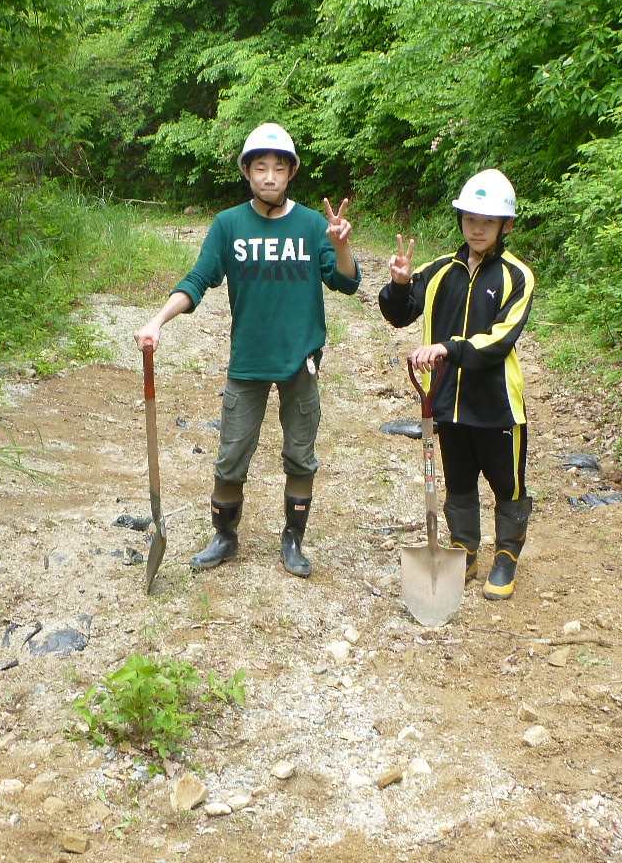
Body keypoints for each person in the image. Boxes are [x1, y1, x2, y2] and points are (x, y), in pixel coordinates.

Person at [134, 123, 360, 578]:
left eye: (279, 167)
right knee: (231, 454)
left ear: (291, 173)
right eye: (261, 167)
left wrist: (340, 244)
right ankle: (225, 537)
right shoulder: (229, 225)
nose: (270, 176)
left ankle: (293, 539)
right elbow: (197, 280)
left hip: (301, 360)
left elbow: (347, 282)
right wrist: (157, 320)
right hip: (248, 361)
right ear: (247, 172)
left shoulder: (313, 224)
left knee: (300, 454)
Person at [379, 169, 535, 599]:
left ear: (507, 225)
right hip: (445, 401)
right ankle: (464, 547)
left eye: (487, 221)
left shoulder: (516, 276)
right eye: (469, 219)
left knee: (509, 484)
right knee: (459, 480)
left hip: (499, 404)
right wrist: (397, 285)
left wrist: (448, 348)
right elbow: (399, 313)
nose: (477, 228)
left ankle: (507, 555)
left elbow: (499, 340)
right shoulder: (438, 271)